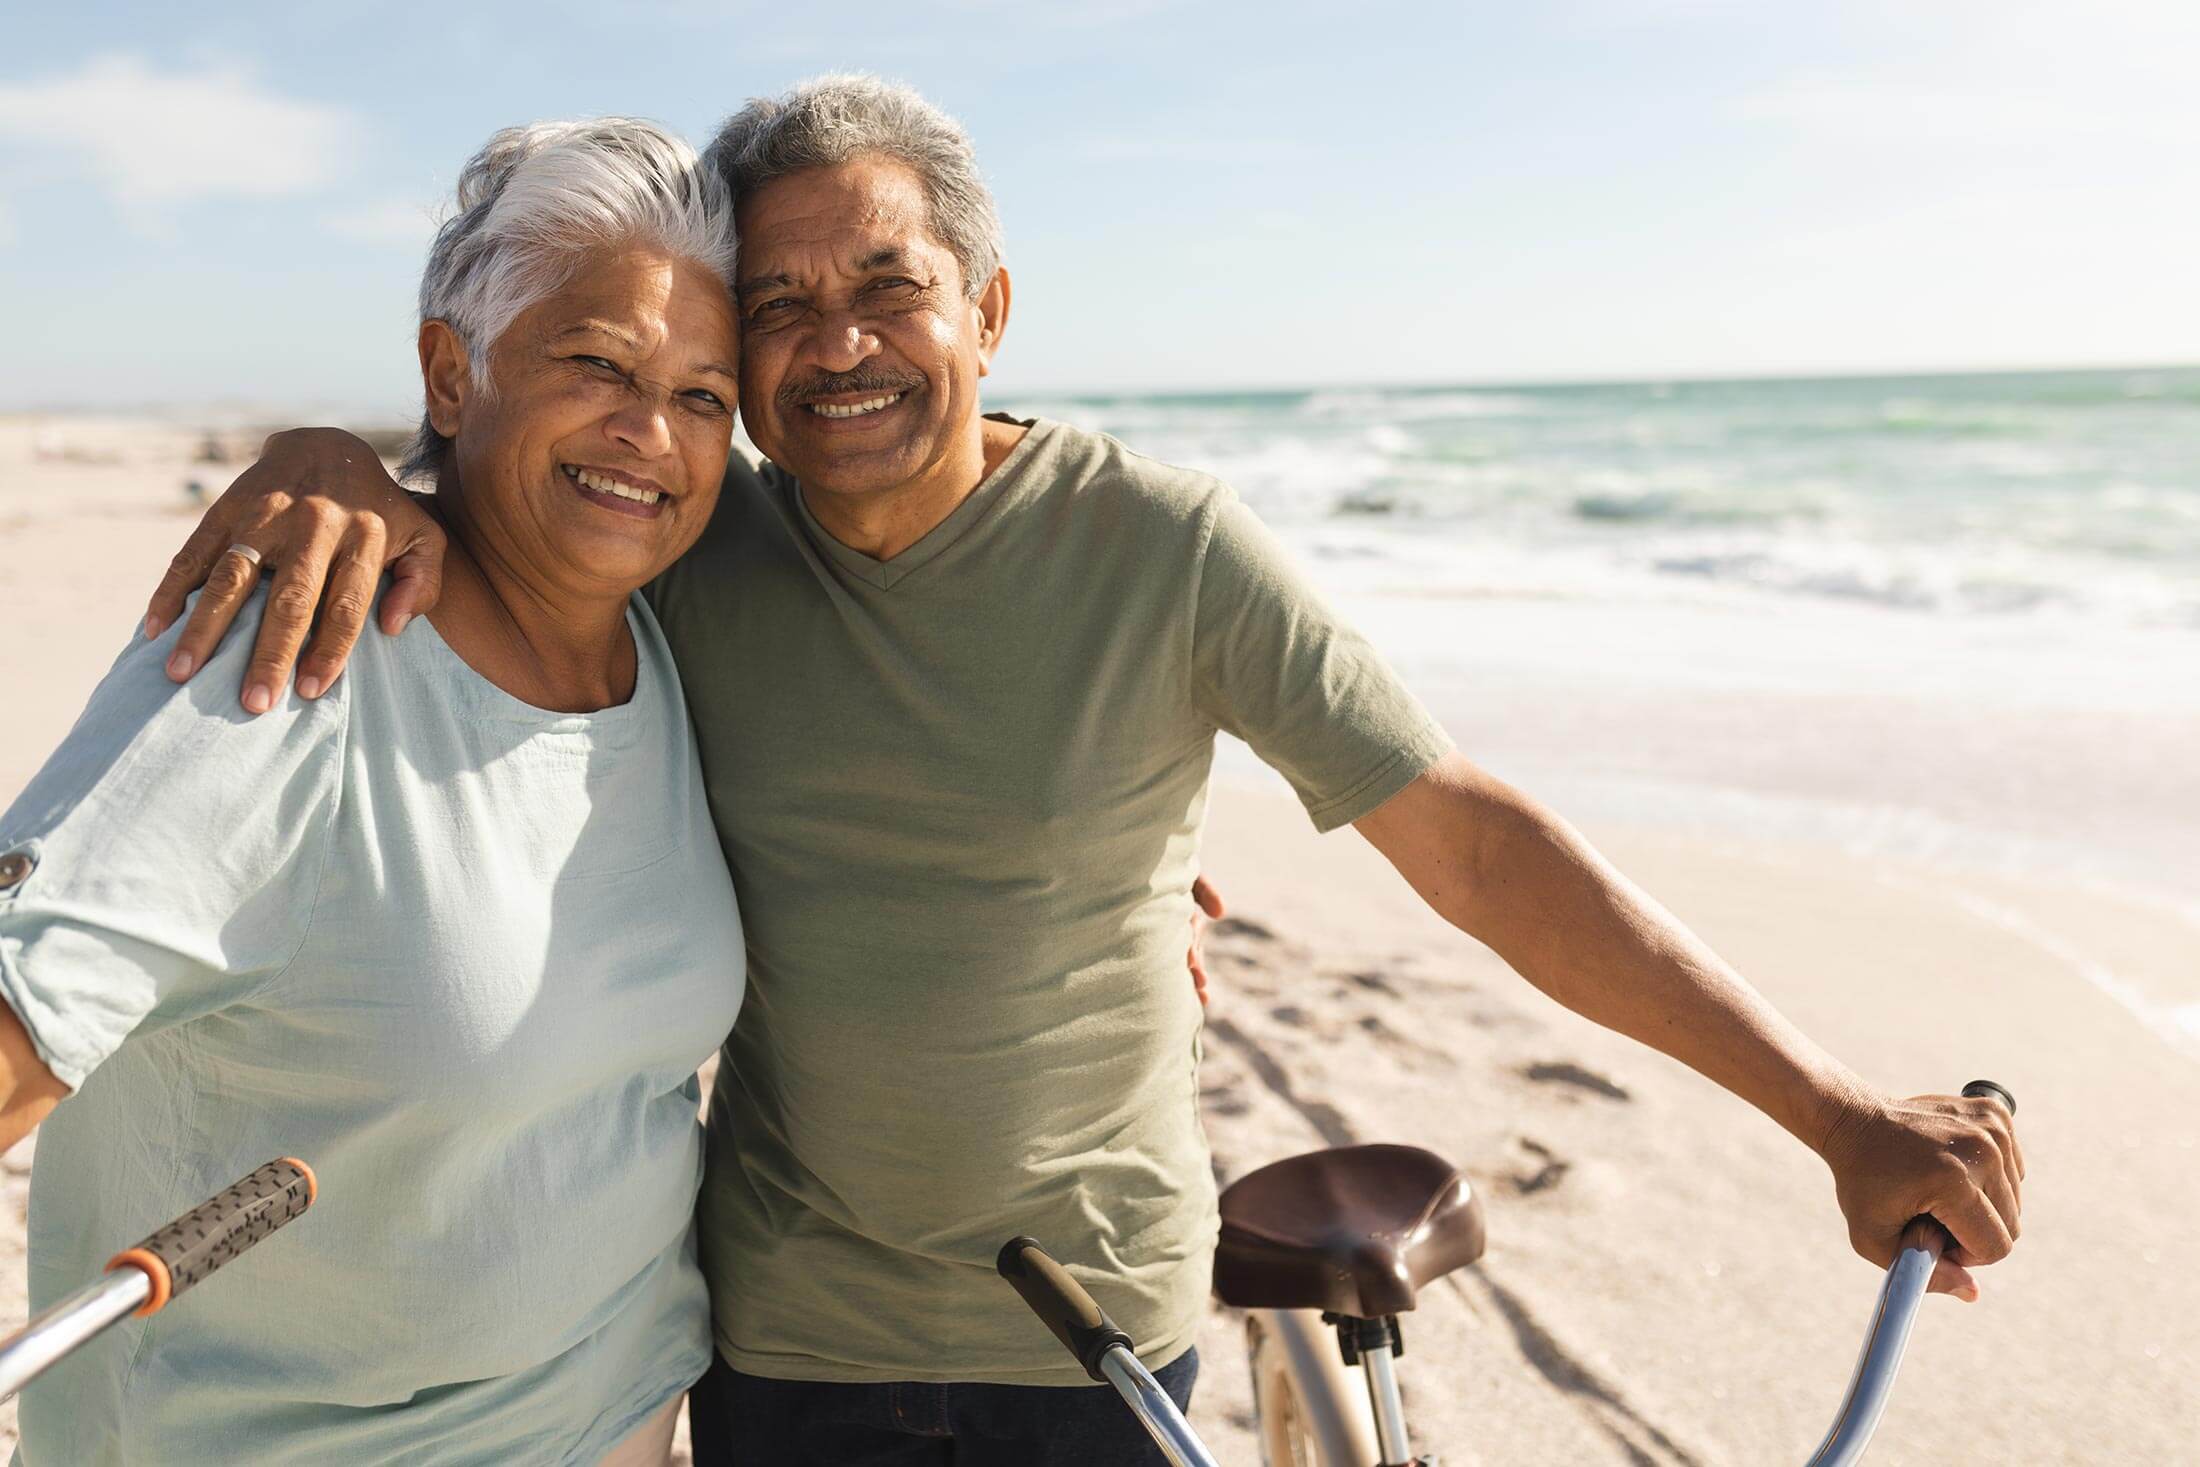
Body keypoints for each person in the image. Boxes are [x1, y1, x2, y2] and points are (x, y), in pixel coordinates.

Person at [146, 76, 2025, 1466]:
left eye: (886, 289)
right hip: (778, 1330)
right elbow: (527, 481)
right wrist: (333, 456)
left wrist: (1838, 1115)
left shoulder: (1166, 550)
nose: (835, 347)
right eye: (778, 311)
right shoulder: (702, 540)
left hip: (1097, 1329)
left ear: (991, 311)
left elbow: (1468, 839)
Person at [0, 119, 749, 1465]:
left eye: (704, 394)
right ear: (450, 374)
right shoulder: (301, 650)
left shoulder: (665, 634)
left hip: (628, 1411)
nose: (653, 433)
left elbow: (921, 496)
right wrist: (327, 459)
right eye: (597, 363)